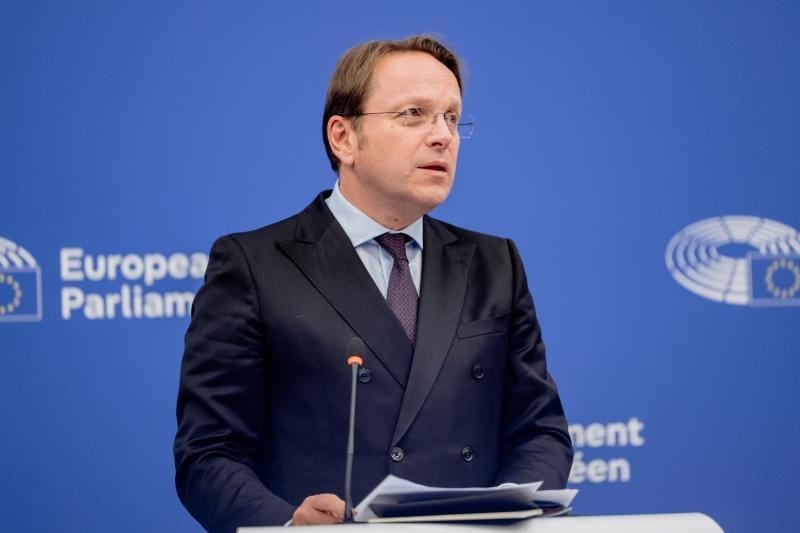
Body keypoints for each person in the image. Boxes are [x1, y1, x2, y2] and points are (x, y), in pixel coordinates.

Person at [174, 35, 572, 532]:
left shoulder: (495, 264)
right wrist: (285, 525)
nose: (443, 136)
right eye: (413, 114)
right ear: (343, 138)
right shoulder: (254, 265)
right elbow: (209, 452)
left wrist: (505, 515)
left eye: (451, 118)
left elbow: (539, 431)